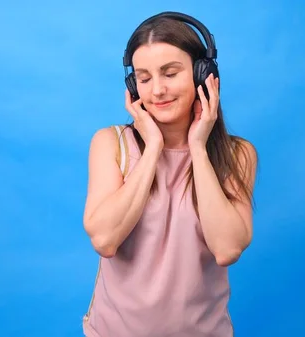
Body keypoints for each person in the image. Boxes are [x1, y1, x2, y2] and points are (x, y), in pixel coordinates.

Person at [81, 11, 258, 337]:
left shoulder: (237, 155)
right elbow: (105, 240)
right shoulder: (111, 144)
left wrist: (198, 148)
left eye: (170, 73)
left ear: (204, 75)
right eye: (144, 78)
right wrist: (153, 149)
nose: (157, 90)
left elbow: (227, 248)